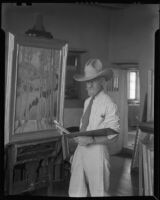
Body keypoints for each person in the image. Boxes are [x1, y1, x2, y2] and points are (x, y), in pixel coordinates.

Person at [68, 58, 120, 197]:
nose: (88, 86)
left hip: (97, 152)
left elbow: (113, 135)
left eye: (93, 81)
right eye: (87, 81)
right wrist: (77, 151)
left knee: (99, 192)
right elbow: (84, 128)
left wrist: (91, 141)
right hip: (81, 151)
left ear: (102, 81)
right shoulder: (87, 102)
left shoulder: (109, 104)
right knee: (75, 192)